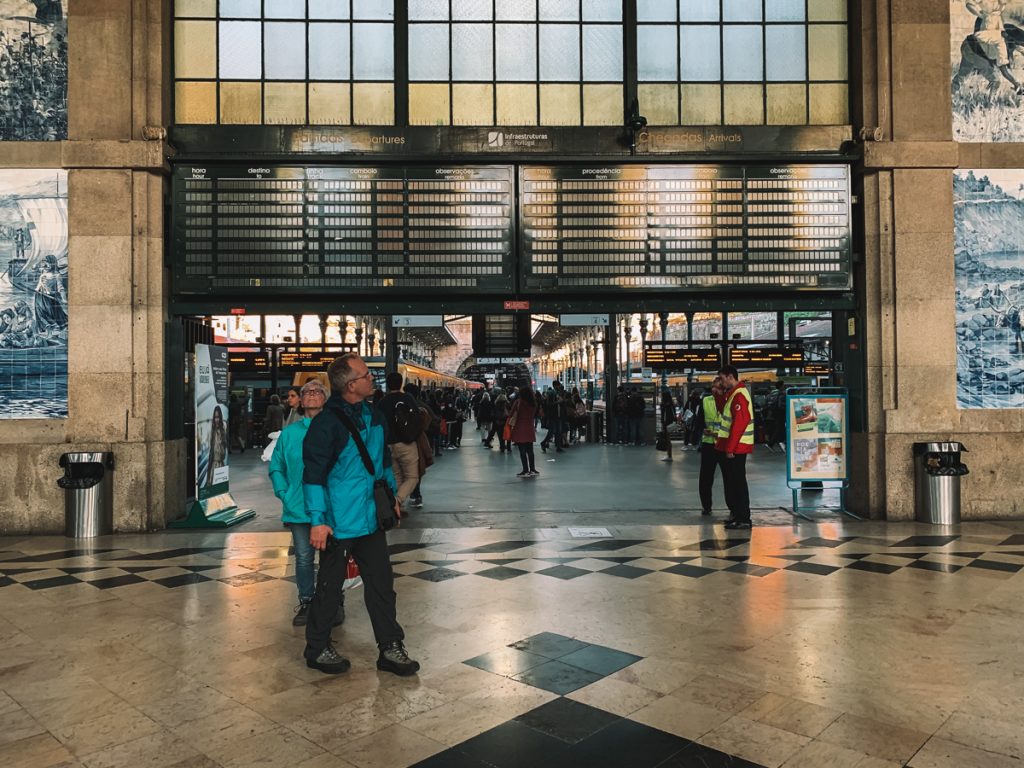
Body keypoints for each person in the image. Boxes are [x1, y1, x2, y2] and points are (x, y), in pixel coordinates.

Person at [301, 352, 419, 676]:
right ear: (351, 385)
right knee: (329, 587)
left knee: (382, 585)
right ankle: (317, 647)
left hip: (370, 518)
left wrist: (392, 495)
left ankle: (390, 647)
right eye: (367, 376)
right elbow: (312, 475)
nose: (372, 380)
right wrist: (318, 520)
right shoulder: (326, 424)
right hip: (338, 522)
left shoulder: (375, 415)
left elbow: (381, 461)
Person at [268, 380, 344, 627]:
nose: (312, 395)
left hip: (330, 506)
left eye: (317, 391)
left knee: (331, 557)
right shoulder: (290, 433)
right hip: (298, 505)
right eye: (307, 392)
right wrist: (283, 491)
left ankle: (334, 601)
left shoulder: (336, 428)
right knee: (303, 556)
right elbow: (276, 465)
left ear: (326, 398)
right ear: (300, 401)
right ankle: (307, 600)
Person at [715, 365, 754, 530]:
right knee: (734, 482)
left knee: (738, 483)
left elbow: (739, 423)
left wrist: (730, 448)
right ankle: (738, 515)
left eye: (723, 379)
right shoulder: (733, 394)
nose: (722, 383)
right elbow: (724, 413)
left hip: (737, 448)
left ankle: (743, 518)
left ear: (730, 376)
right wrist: (717, 394)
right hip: (734, 447)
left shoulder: (739, 395)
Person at [378, 371, 423, 513]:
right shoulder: (407, 399)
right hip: (406, 444)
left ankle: (398, 509)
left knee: (396, 476)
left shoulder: (382, 402)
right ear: (401, 383)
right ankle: (397, 501)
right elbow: (417, 419)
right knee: (412, 477)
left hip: (389, 445)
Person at [693, 377, 726, 516]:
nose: (714, 389)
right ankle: (706, 506)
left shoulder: (729, 401)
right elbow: (699, 421)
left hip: (724, 444)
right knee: (705, 478)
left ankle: (733, 507)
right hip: (708, 444)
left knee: (729, 478)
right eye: (713, 386)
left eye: (718, 387)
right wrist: (702, 430)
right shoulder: (705, 401)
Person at [509, 384, 539, 478]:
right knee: (530, 450)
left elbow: (511, 413)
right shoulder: (533, 403)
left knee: (522, 450)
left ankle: (525, 470)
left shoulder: (518, 402)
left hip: (520, 428)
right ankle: (533, 469)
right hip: (530, 427)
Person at [33, 254, 67, 335]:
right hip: (39, 296)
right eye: (44, 263)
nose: (45, 265)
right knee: (41, 314)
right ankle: (47, 333)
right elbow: (34, 268)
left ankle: (52, 333)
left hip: (49, 298)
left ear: (52, 264)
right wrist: (37, 263)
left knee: (50, 315)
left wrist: (64, 298)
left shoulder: (57, 275)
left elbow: (60, 288)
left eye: (47, 263)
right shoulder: (43, 271)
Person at [205, 405, 228, 487]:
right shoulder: (212, 432)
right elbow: (211, 451)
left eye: (218, 417)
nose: (217, 420)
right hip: (213, 466)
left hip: (221, 465)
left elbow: (224, 449)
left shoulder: (223, 430)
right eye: (215, 417)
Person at [659, 388, 676, 462]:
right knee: (668, 439)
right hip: (670, 422)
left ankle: (669, 456)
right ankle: (669, 455)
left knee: (668, 440)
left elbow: (664, 416)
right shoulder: (671, 404)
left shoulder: (665, 405)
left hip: (667, 423)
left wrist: (663, 424)